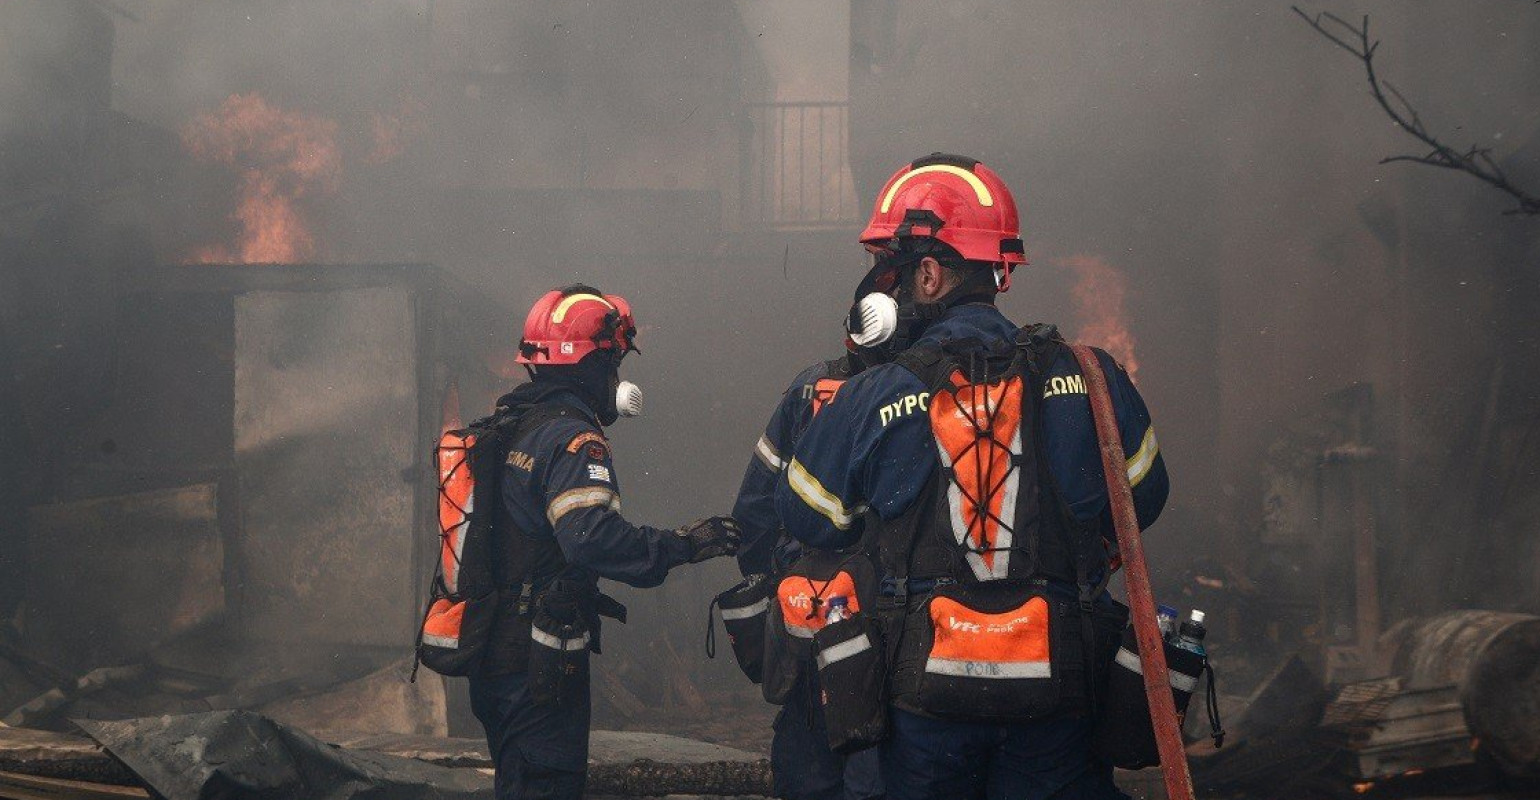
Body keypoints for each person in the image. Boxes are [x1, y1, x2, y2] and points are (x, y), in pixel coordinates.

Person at [775, 154, 1169, 800]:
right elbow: (1145, 498)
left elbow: (804, 516)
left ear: (928, 275)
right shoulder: (1090, 377)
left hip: (923, 708)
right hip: (1057, 706)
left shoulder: (875, 393)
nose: (885, 289)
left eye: (892, 272)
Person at [472, 285, 742, 800]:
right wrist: (683, 544)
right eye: (614, 362)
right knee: (546, 787)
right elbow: (591, 540)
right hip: (537, 663)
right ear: (592, 365)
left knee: (517, 781)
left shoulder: (513, 426)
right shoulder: (573, 440)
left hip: (496, 654)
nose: (617, 378)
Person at [730, 340, 886, 800]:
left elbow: (753, 513)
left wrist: (783, 586)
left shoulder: (810, 389)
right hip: (893, 635)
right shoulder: (931, 388)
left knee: (809, 767)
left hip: (809, 630)